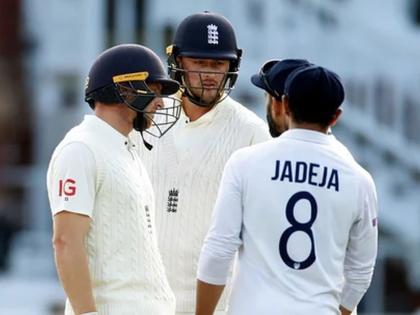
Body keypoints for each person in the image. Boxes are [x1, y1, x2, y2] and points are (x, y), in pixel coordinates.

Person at [196, 65, 378, 314]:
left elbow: (218, 251)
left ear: (286, 104)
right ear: (336, 116)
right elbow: (359, 274)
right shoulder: (359, 181)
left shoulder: (245, 162)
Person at [135, 11, 270, 315]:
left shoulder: (252, 133)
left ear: (231, 66)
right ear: (179, 62)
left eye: (218, 64)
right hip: (141, 299)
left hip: (215, 305)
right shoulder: (146, 116)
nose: (210, 74)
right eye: (199, 63)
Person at [46, 44, 181, 315]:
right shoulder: (80, 149)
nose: (161, 102)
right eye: (154, 91)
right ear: (125, 90)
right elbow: (66, 242)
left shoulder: (126, 150)